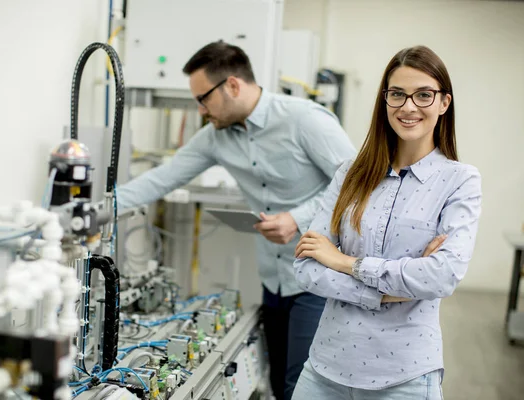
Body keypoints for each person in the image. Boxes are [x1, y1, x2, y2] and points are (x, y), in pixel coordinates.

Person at [116, 41, 356, 399]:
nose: (200, 110)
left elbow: (357, 185)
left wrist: (297, 218)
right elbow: (163, 178)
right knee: (278, 384)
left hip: (318, 279)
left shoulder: (303, 120)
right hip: (273, 281)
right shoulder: (215, 137)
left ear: (232, 85)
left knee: (302, 388)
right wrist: (102, 206)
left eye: (203, 99)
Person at [291, 45, 482, 399]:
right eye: (397, 94)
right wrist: (386, 293)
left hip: (403, 378)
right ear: (385, 101)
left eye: (424, 95)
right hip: (324, 369)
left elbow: (442, 276)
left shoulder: (460, 181)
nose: (409, 106)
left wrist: (345, 262)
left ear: (444, 103)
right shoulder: (350, 173)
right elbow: (305, 267)